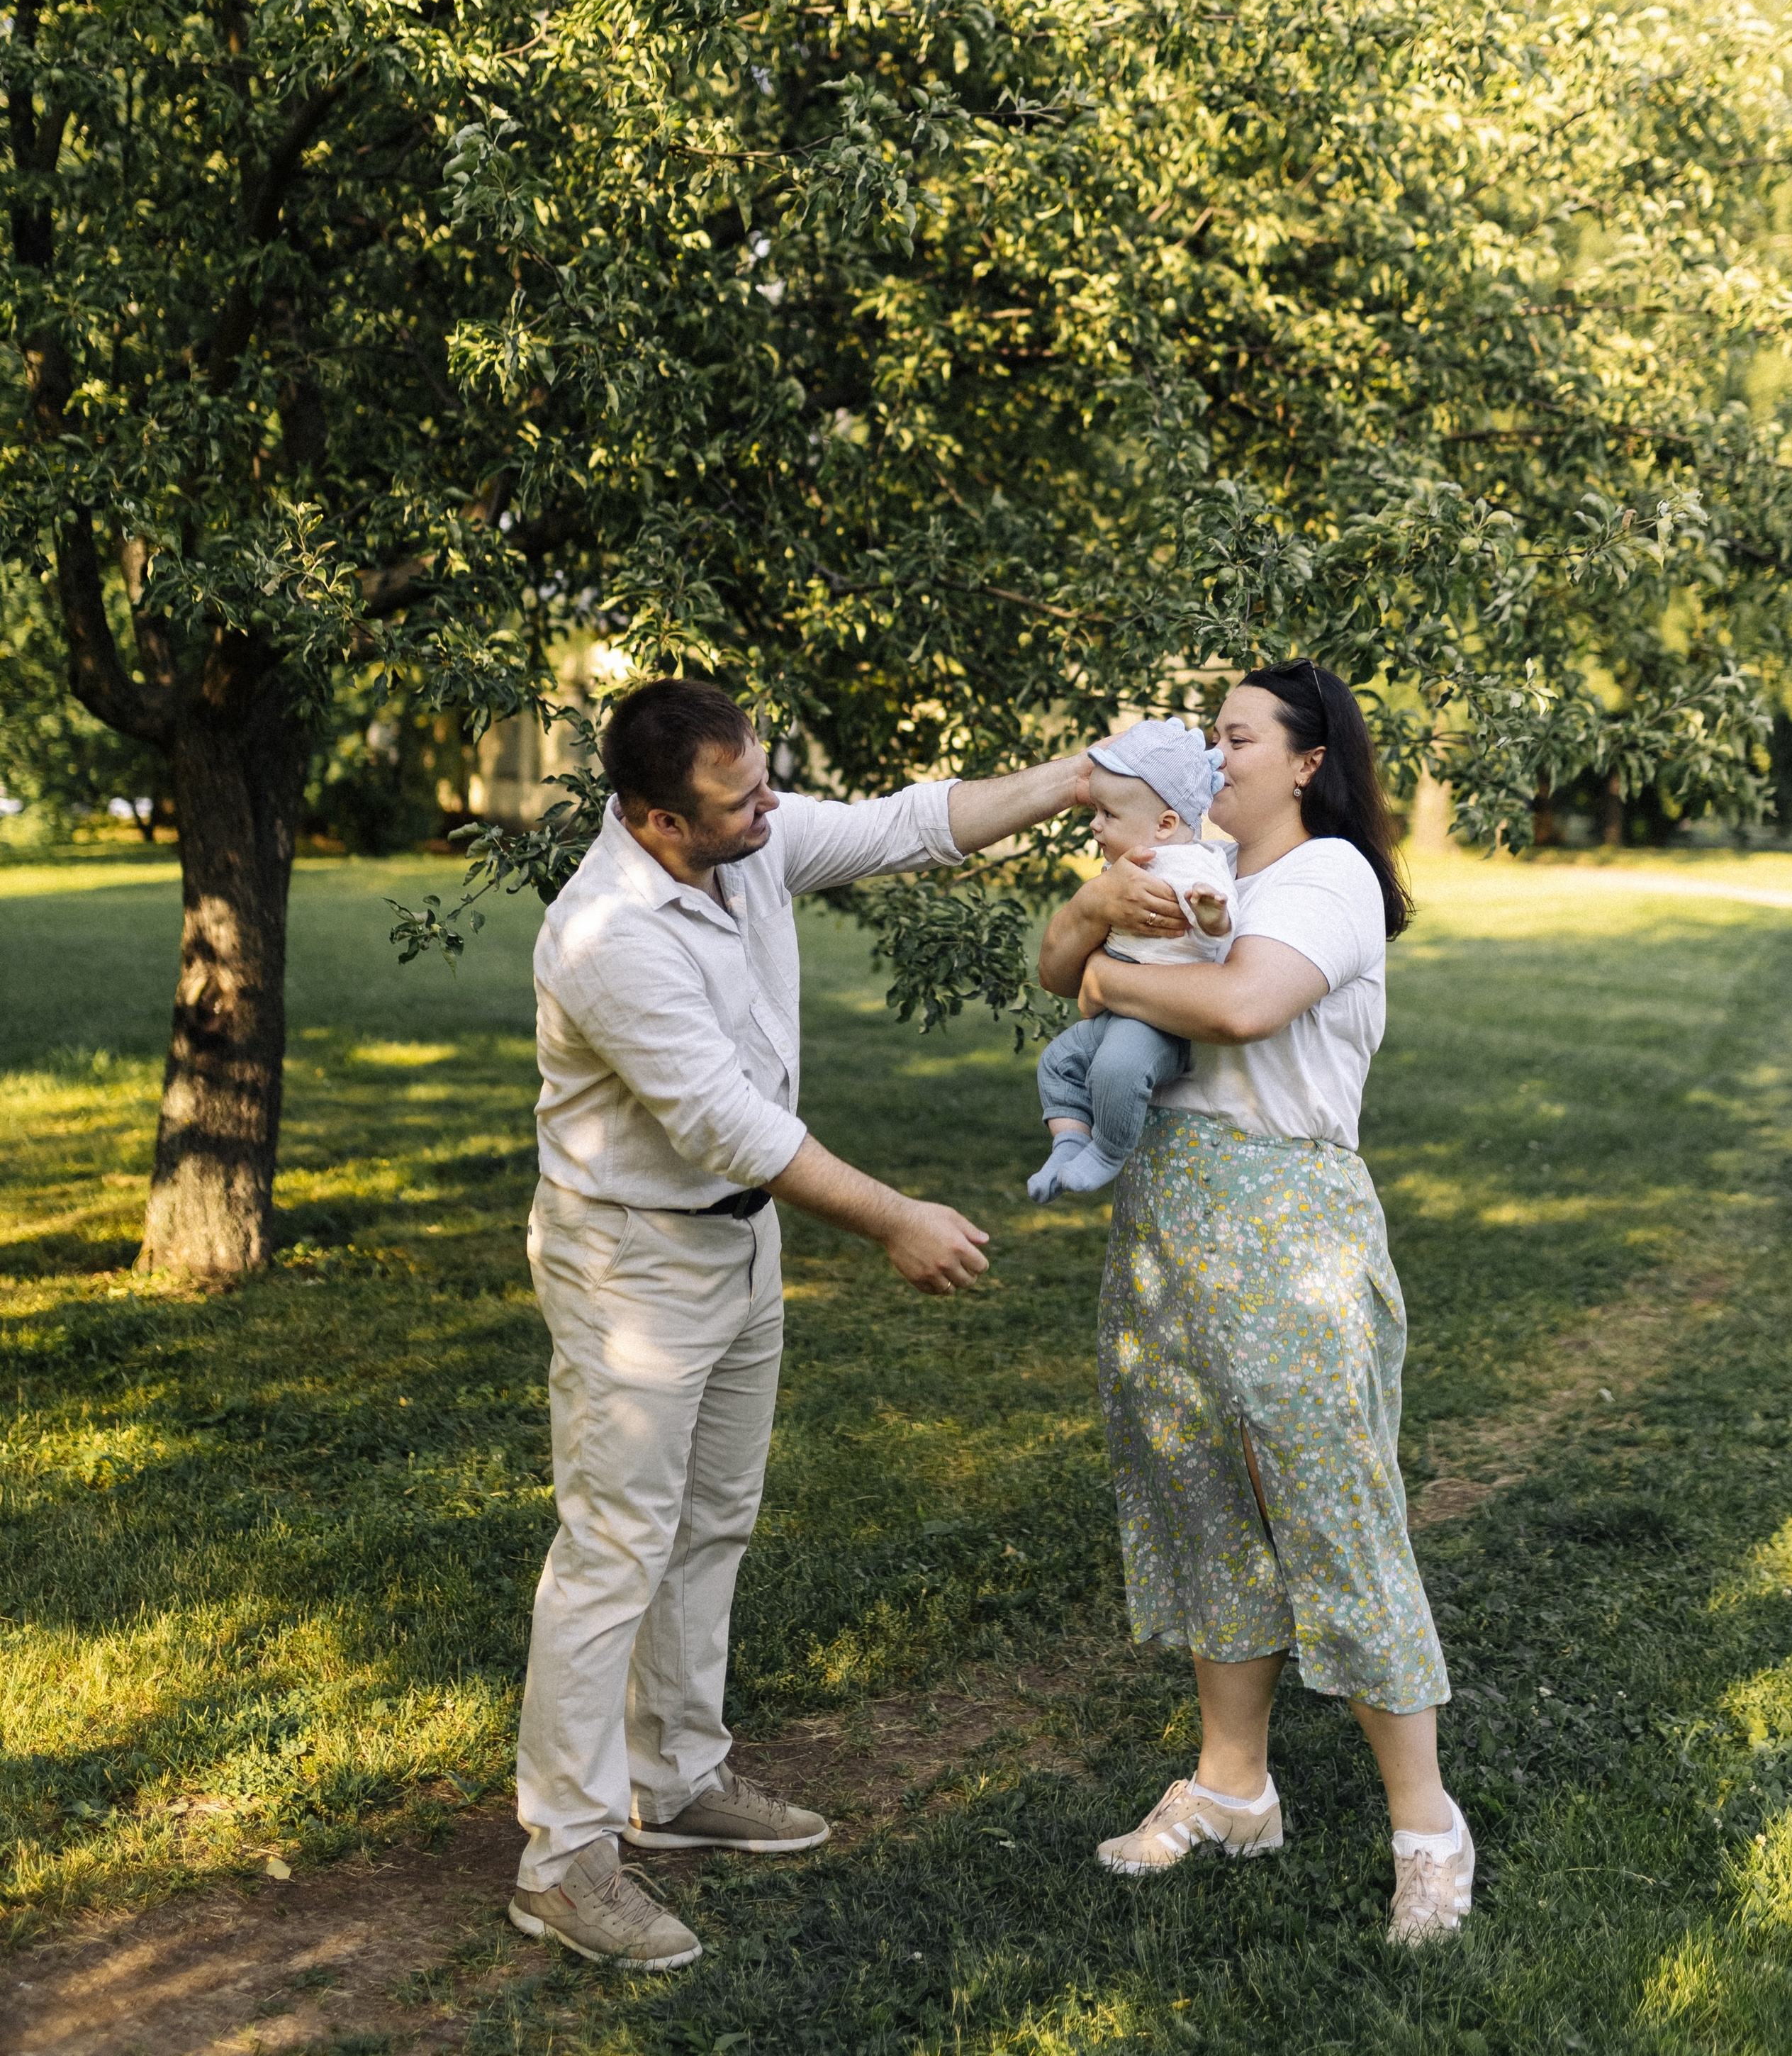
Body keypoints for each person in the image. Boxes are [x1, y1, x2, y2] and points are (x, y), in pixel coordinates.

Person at [511, 677, 1086, 1972]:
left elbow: (907, 824)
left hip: (737, 1245)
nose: (769, 808)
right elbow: (729, 1126)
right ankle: (564, 1859)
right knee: (615, 1550)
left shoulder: (747, 839)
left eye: (765, 779)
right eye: (739, 798)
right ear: (659, 819)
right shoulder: (606, 936)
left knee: (714, 1518)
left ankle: (678, 1776)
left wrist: (1075, 778)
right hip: (632, 1263)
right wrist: (893, 1216)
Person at [1037, 660, 1470, 1949]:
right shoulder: (1178, 871)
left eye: (1236, 737)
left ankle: (1427, 1830)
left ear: (1307, 761)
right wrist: (1089, 920)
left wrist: (1109, 975)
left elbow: (1240, 1002)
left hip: (1290, 1233)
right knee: (1201, 1506)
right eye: (1211, 737)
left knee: (1335, 1515)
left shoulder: (1323, 877)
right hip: (1168, 1221)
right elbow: (1055, 959)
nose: (1213, 756)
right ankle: (1234, 1792)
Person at [1026, 717, 1236, 1204]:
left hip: (1159, 1020)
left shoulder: (1191, 866)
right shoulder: (1134, 861)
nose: (1095, 824)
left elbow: (1218, 924)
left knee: (1115, 1070)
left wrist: (1209, 910)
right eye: (1095, 810)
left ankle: (1107, 1150)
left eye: (1108, 814)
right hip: (1116, 1009)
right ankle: (1069, 1142)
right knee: (1058, 1063)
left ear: (1165, 825)